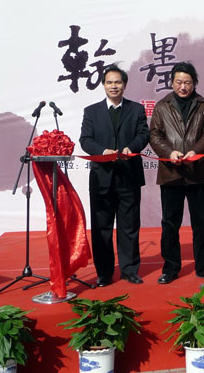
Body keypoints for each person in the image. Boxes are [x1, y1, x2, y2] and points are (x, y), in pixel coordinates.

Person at [79, 64, 150, 287]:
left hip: (129, 176)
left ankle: (129, 270)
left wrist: (131, 147)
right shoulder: (91, 111)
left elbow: (143, 134)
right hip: (101, 178)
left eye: (118, 82)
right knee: (102, 227)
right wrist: (102, 151)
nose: (114, 86)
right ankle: (104, 272)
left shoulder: (136, 109)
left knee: (129, 226)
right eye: (109, 82)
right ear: (103, 85)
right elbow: (85, 139)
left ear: (124, 85)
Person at [149, 62, 204, 284]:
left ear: (194, 83)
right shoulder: (162, 106)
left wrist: (195, 151)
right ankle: (170, 268)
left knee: (201, 222)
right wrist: (170, 152)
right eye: (178, 82)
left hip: (197, 172)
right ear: (171, 82)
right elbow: (154, 135)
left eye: (187, 82)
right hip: (171, 172)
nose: (183, 87)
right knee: (170, 223)